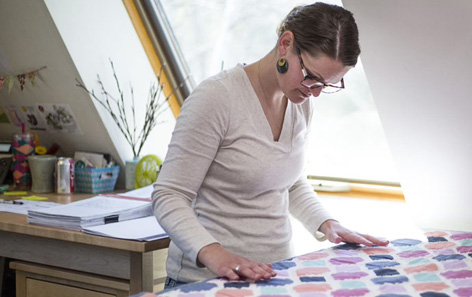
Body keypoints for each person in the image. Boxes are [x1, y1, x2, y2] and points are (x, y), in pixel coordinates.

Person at [152, 2, 389, 289]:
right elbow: (169, 195)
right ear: (286, 44)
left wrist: (328, 224)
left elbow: (288, 183)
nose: (315, 93)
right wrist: (216, 255)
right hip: (205, 280)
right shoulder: (217, 99)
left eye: (327, 85)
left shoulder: (299, 102)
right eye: (312, 77)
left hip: (273, 276)